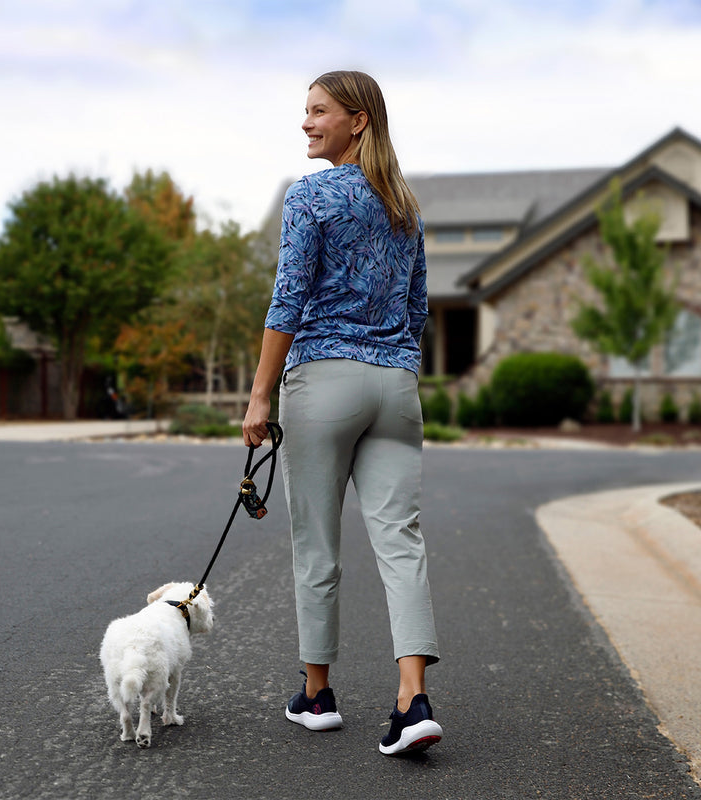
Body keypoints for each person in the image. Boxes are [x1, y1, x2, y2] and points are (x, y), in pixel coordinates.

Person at [242, 70, 442, 756]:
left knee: (317, 545)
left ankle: (317, 694)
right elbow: (418, 309)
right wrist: (395, 367)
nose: (305, 122)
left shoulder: (312, 195)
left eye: (318, 111)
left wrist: (261, 393)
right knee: (401, 541)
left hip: (323, 383)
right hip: (393, 388)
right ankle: (412, 700)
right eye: (305, 111)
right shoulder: (405, 204)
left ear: (358, 120)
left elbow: (288, 299)